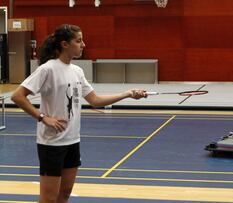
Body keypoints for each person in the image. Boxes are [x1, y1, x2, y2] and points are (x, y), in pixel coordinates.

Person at [11, 24, 148, 203]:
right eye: (79, 41)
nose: (83, 45)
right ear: (65, 44)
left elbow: (95, 100)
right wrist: (43, 118)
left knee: (65, 194)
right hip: (51, 144)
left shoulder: (77, 71)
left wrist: (128, 93)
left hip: (72, 141)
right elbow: (17, 96)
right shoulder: (48, 69)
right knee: (49, 199)